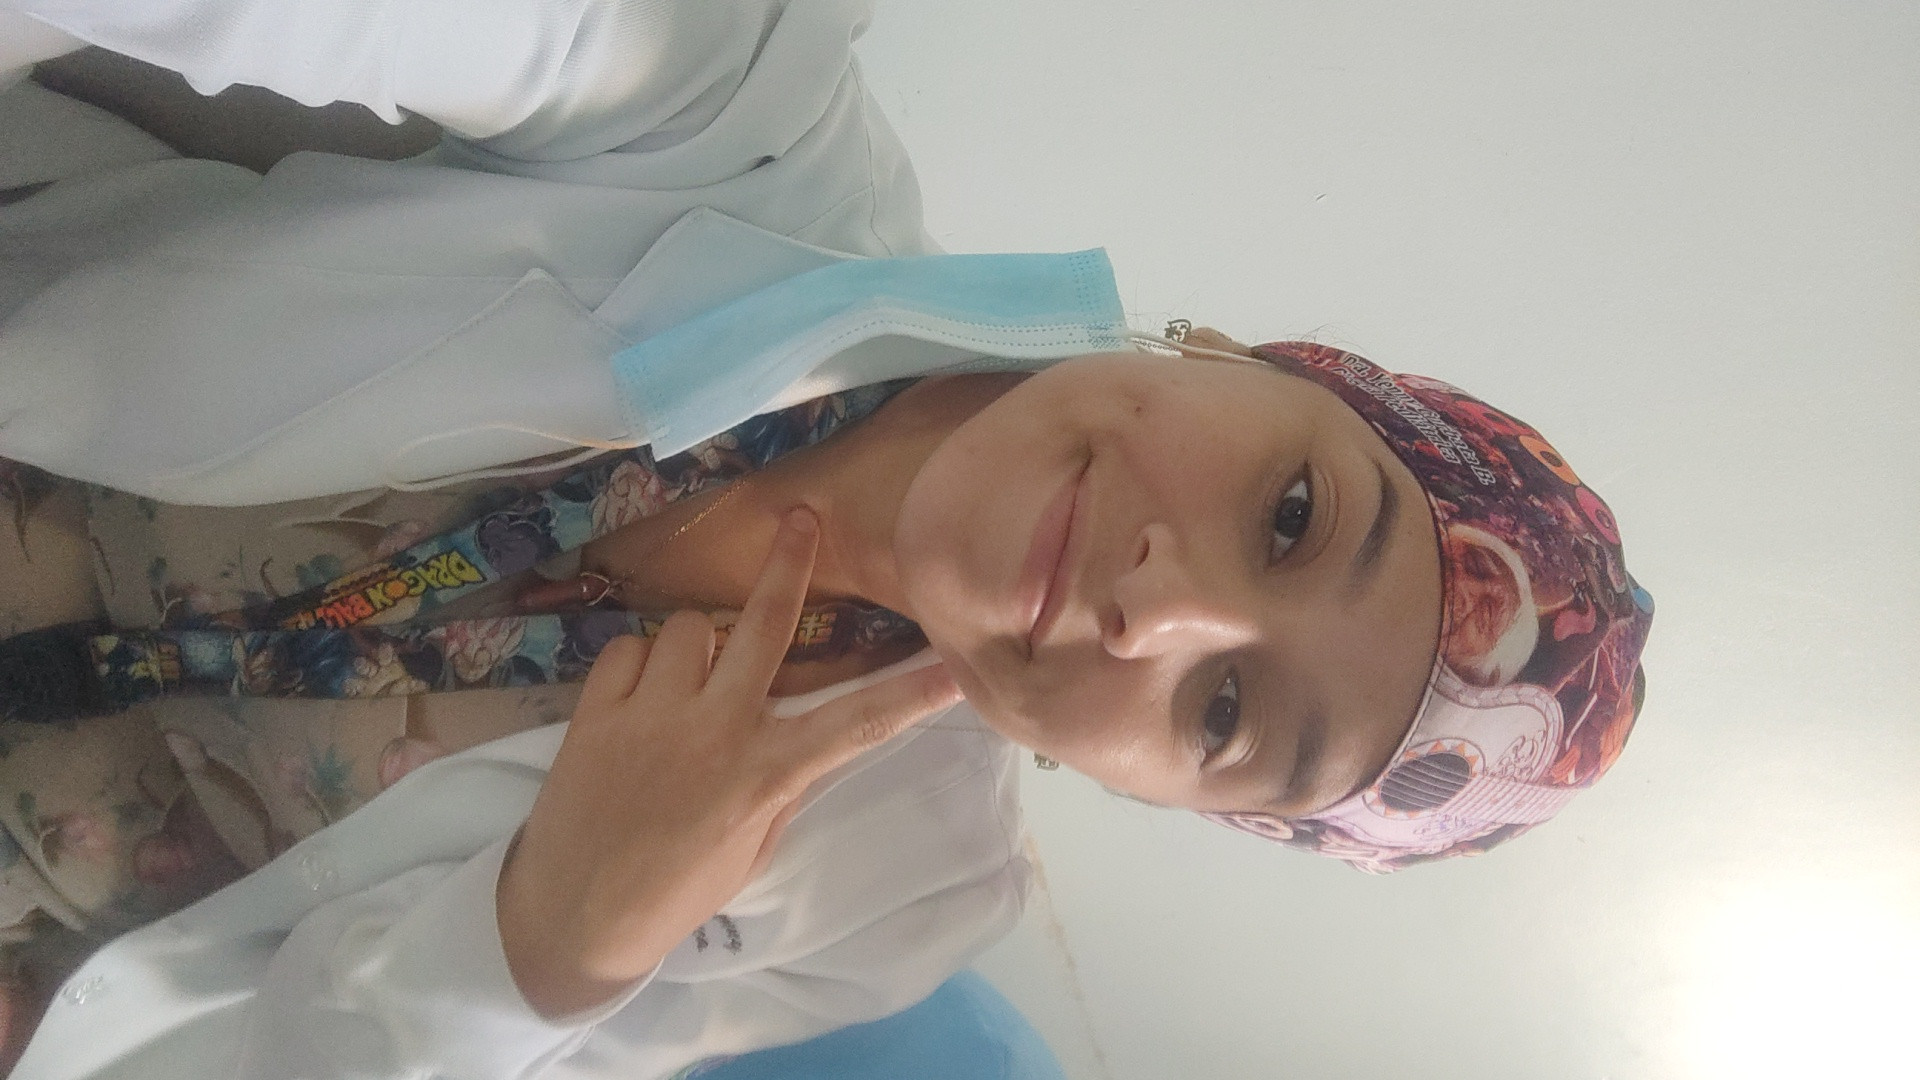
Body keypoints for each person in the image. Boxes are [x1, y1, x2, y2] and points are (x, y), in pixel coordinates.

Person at [0, 1, 1654, 1077]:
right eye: (1293, 516)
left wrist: (541, 953)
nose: (1165, 610)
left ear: (1155, 796)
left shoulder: (879, 912)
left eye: (1228, 717)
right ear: (1244, 356)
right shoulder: (742, 117)